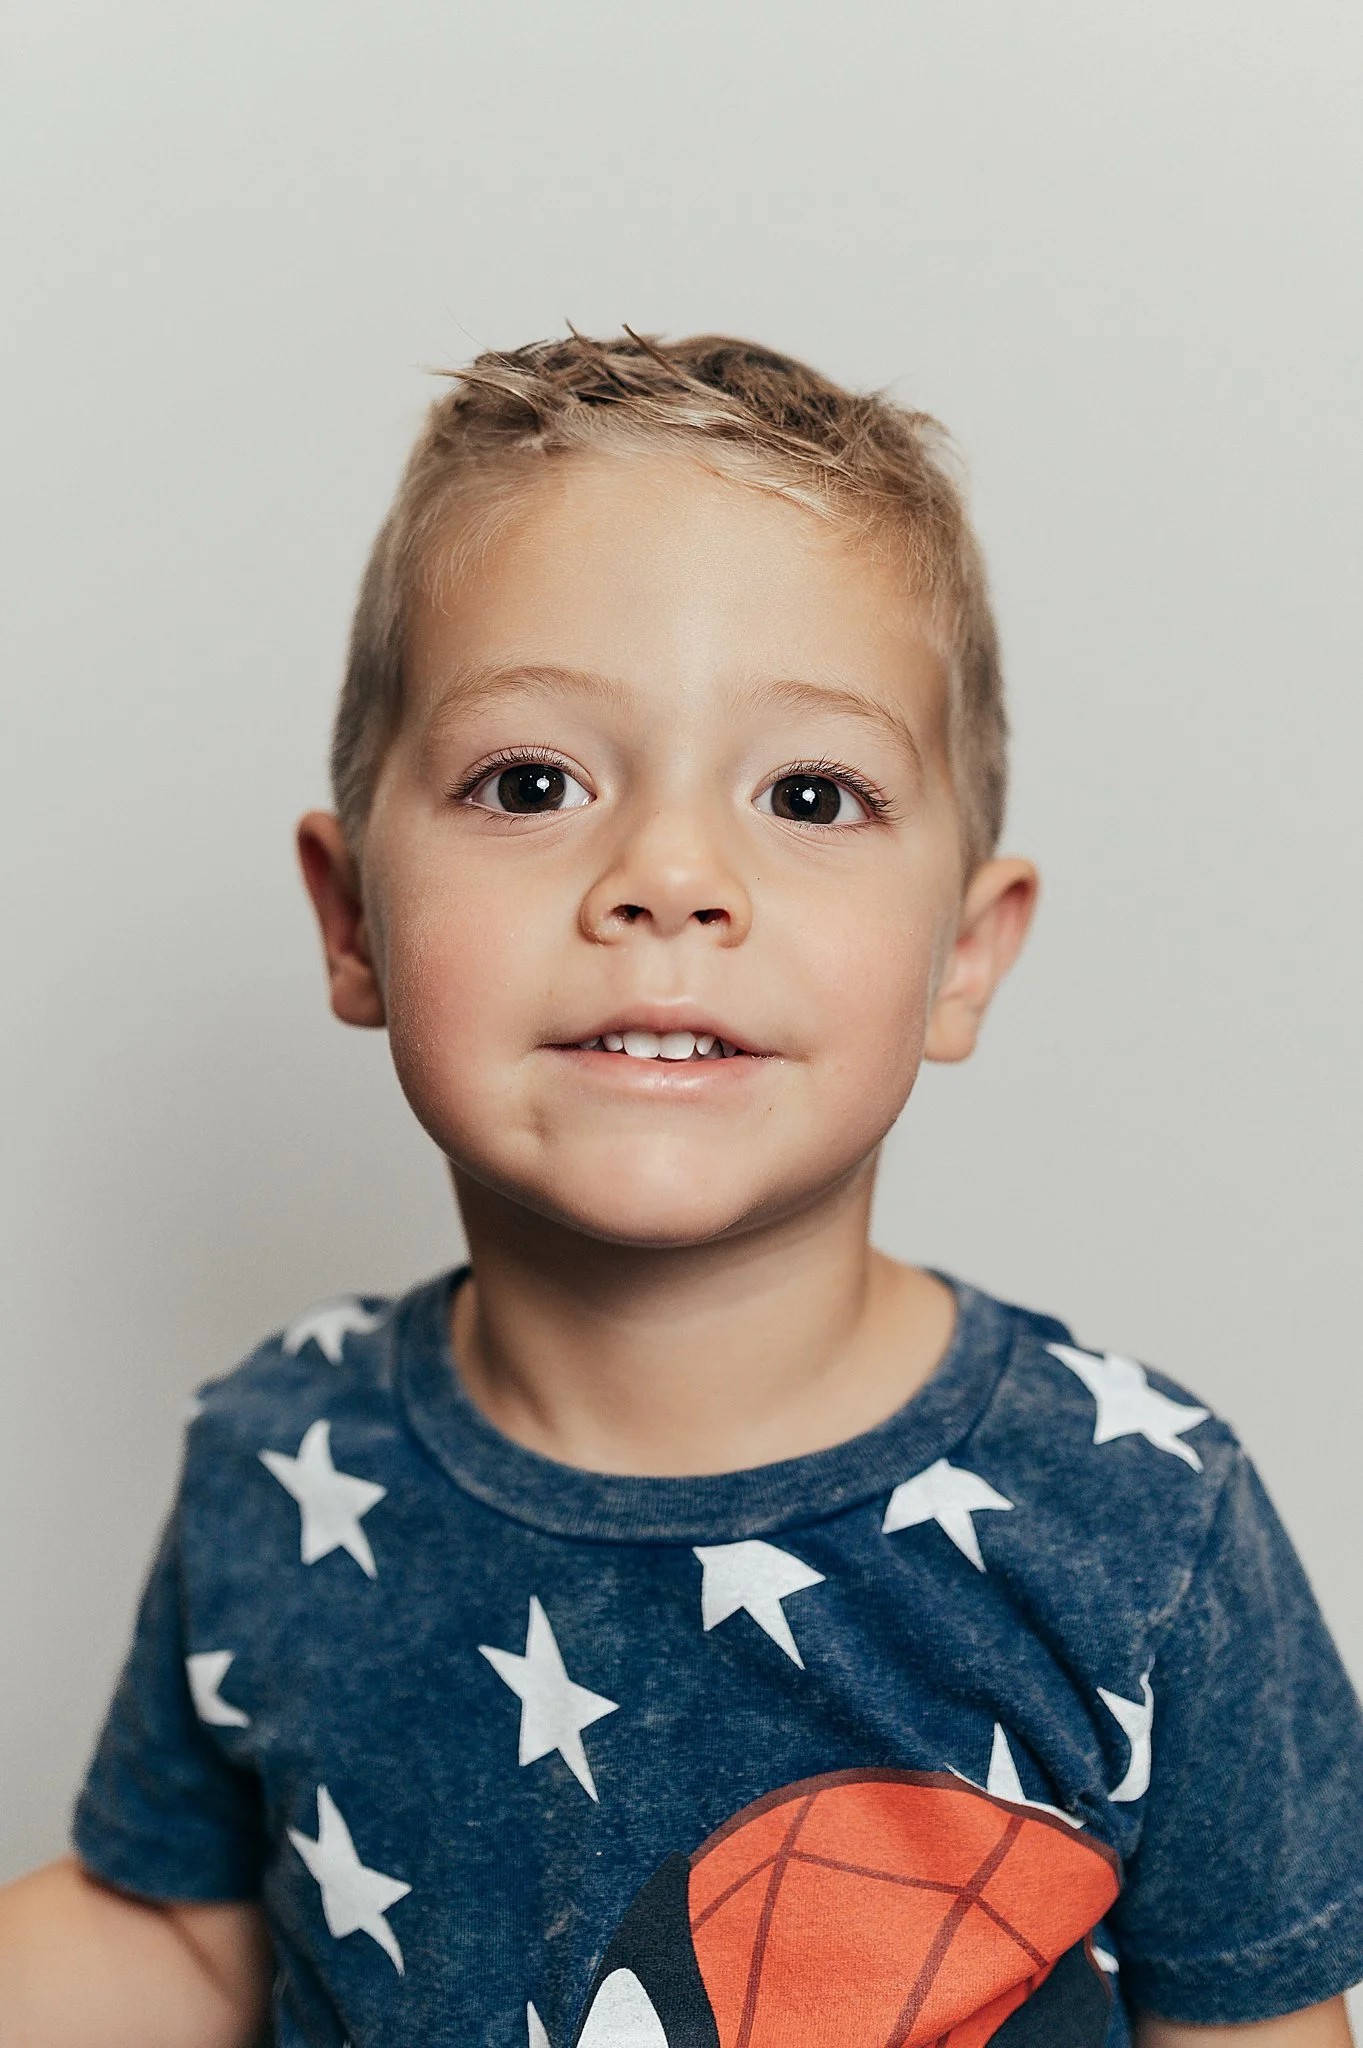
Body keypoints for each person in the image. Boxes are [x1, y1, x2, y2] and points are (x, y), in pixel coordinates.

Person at [1, 333, 1359, 2048]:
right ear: (352, 920)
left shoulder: (1137, 1526)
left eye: (809, 793)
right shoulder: (281, 1461)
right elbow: (182, 1947)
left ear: (963, 953)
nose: (665, 877)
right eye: (531, 783)